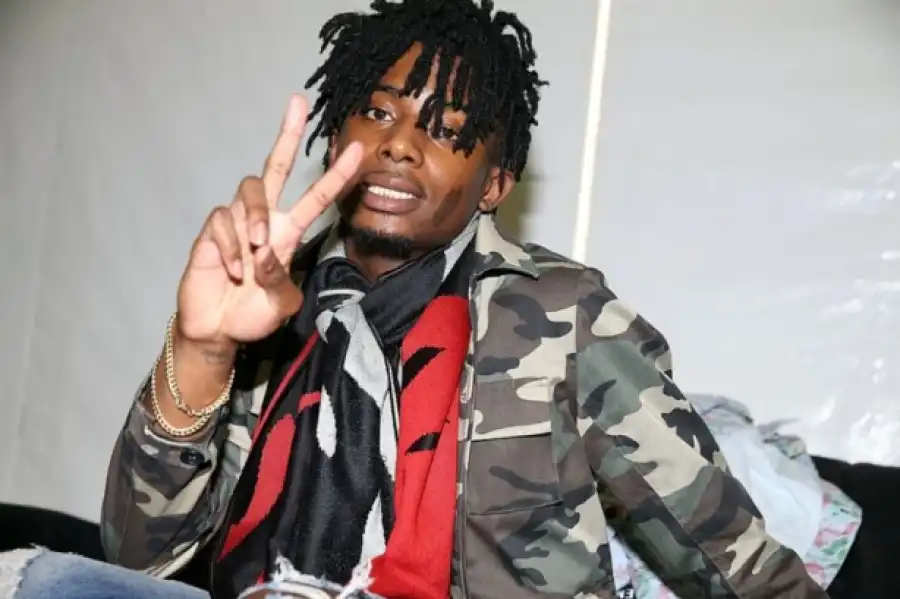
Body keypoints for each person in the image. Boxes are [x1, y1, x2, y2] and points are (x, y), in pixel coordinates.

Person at [3, 0, 829, 598]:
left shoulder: (562, 318)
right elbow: (138, 555)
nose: (400, 143)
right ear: (336, 135)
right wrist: (203, 350)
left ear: (493, 184)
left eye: (447, 126)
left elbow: (725, 555)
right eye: (378, 111)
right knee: (49, 582)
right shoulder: (269, 301)